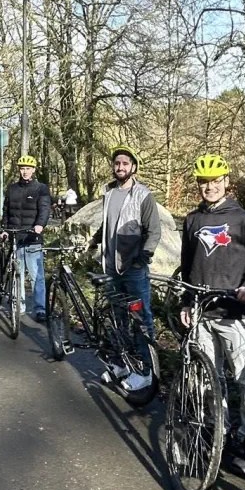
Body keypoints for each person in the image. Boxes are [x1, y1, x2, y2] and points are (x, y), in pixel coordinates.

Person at [177, 154, 245, 476]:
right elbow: (187, 266)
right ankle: (218, 431)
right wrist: (187, 302)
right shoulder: (191, 220)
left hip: (234, 313)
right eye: (204, 182)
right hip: (202, 313)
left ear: (226, 182)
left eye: (216, 181)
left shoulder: (244, 219)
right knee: (208, 378)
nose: (210, 187)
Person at [88, 145, 163, 392]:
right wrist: (94, 241)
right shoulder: (108, 192)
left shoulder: (143, 195)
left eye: (125, 163)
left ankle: (147, 371)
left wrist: (144, 256)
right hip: (110, 267)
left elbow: (154, 231)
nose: (120, 167)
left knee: (141, 320)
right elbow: (108, 223)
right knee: (116, 316)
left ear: (133, 167)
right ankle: (121, 364)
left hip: (133, 268)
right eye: (117, 163)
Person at [2, 154, 52, 320]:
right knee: (18, 274)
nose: (25, 172)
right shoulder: (12, 188)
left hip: (32, 238)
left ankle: (40, 308)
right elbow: (6, 211)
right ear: (19, 170)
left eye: (28, 169)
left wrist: (39, 225)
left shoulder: (41, 188)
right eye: (22, 168)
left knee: (36, 276)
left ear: (33, 170)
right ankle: (19, 305)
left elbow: (45, 209)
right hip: (16, 237)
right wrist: (4, 229)